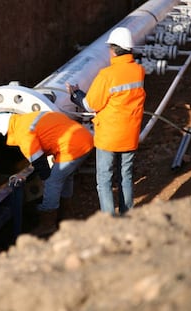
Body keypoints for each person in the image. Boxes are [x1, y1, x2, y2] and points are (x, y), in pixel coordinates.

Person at [66, 27, 146, 216]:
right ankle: (127, 216)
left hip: (109, 137)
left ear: (113, 50)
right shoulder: (138, 71)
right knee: (125, 176)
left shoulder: (107, 75)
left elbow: (91, 104)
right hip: (130, 134)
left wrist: (75, 93)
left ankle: (109, 222)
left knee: (104, 179)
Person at [0, 111, 93, 236]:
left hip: (73, 147)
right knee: (66, 176)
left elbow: (40, 163)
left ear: (7, 132)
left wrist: (46, 183)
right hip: (84, 138)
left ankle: (48, 223)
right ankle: (66, 215)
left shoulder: (22, 134)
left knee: (53, 182)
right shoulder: (27, 119)